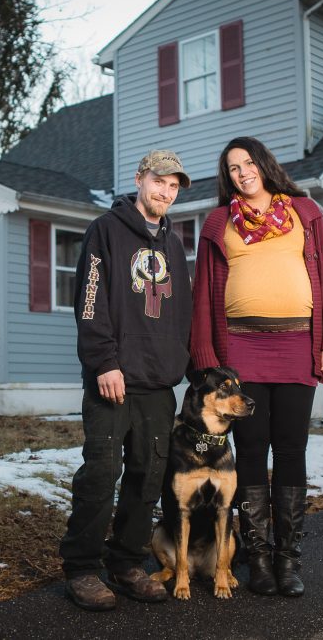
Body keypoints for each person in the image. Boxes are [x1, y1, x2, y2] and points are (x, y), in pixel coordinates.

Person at [190, 136, 323, 598]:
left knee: (292, 448)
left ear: (263, 164)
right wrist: (206, 360)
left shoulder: (305, 212)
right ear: (228, 178)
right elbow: (203, 294)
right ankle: (257, 559)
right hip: (241, 350)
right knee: (253, 448)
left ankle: (288, 560)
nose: (242, 172)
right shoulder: (219, 222)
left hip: (299, 345)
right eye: (232, 168)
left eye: (248, 162)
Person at [60, 149, 193, 611]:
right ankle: (81, 568)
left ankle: (126, 563)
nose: (166, 192)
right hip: (112, 380)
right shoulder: (106, 231)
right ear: (140, 179)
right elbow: (90, 301)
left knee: (148, 476)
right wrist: (104, 362)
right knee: (101, 472)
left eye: (174, 186)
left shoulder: (174, 246)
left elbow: (181, 314)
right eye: (159, 182)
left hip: (159, 384)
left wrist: (184, 366)